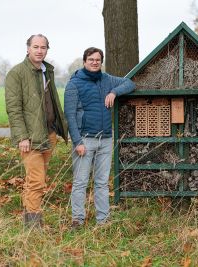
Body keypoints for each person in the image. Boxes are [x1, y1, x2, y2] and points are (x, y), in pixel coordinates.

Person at [64, 47, 135, 228]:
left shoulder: (107, 80)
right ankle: (77, 220)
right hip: (85, 140)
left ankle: (103, 221)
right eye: (91, 59)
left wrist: (114, 92)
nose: (94, 62)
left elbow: (129, 83)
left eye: (98, 59)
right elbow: (70, 115)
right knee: (80, 182)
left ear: (101, 62)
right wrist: (77, 142)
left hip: (105, 139)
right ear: (84, 61)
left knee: (102, 183)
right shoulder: (74, 84)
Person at [5, 34, 68, 227]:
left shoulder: (46, 71)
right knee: (36, 180)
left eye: (43, 47)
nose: (40, 50)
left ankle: (31, 217)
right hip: (30, 138)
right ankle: (32, 226)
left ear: (47, 49)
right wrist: (22, 137)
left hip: (48, 134)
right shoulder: (16, 73)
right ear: (28, 49)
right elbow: (13, 108)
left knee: (38, 180)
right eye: (36, 47)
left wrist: (59, 128)